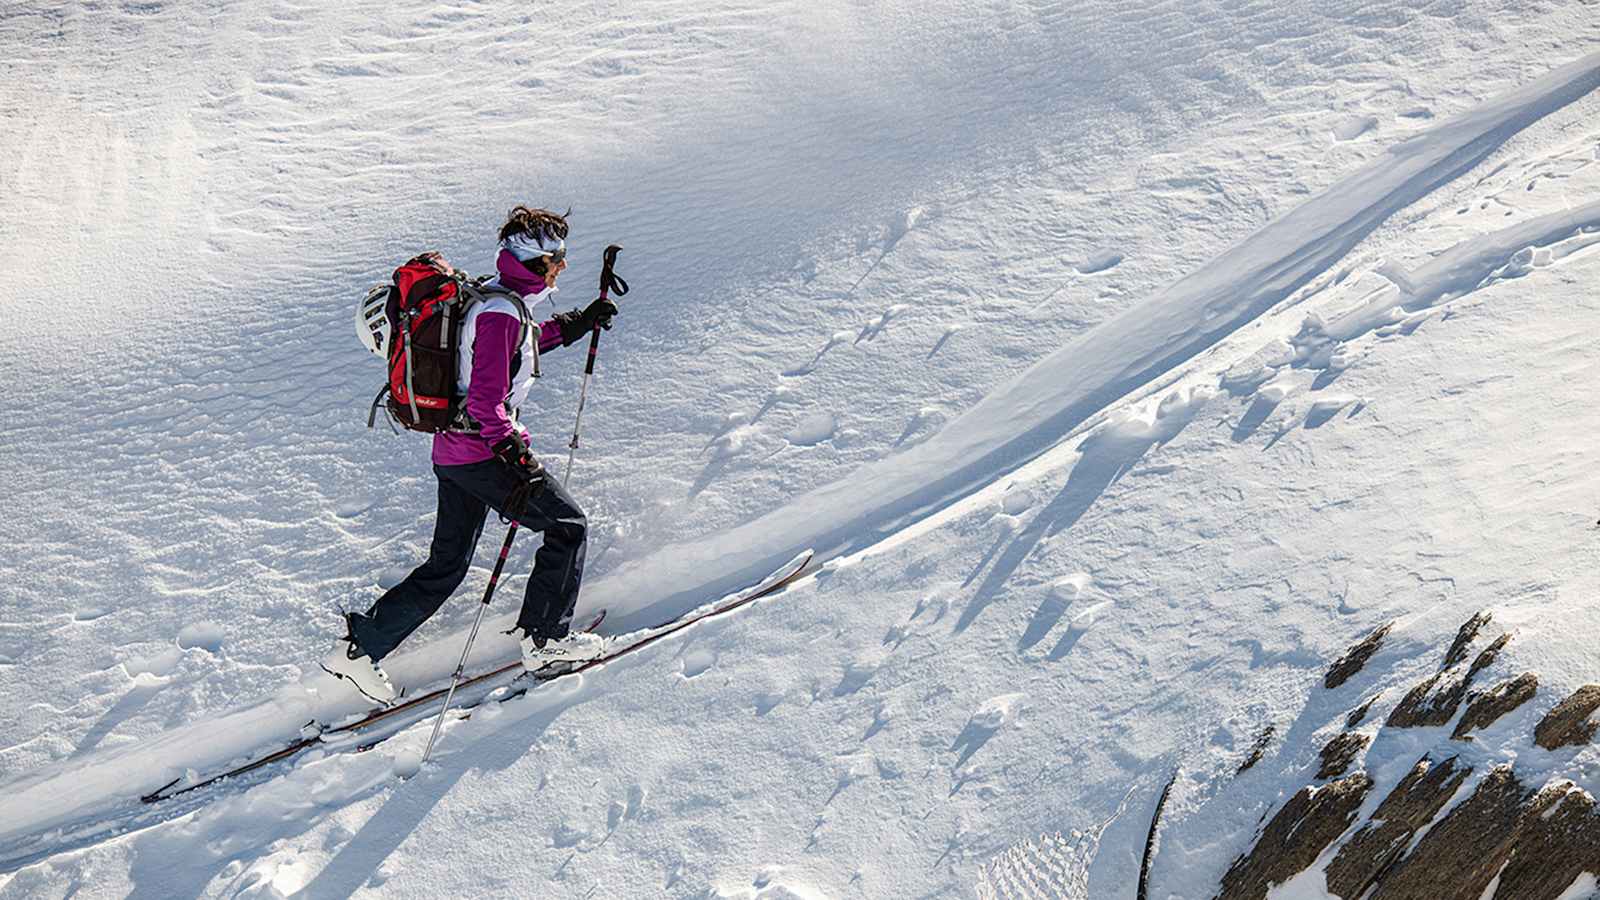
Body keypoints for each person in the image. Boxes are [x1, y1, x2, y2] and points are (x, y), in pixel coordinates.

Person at [322, 206, 619, 705]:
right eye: (556, 260)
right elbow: (485, 400)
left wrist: (575, 324)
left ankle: (358, 649)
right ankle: (546, 642)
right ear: (534, 263)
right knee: (567, 526)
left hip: (455, 454)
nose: (562, 268)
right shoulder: (500, 310)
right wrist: (514, 451)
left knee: (448, 565)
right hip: (483, 452)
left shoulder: (494, 301)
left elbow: (510, 351)